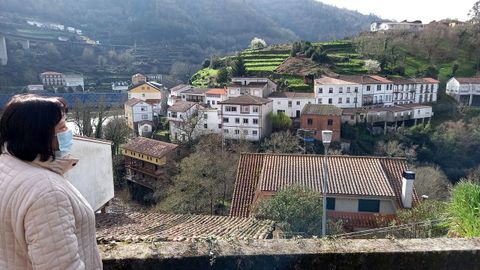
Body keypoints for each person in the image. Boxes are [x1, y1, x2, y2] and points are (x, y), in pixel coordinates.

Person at [0, 94, 102, 269]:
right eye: (61, 127)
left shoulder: (7, 167)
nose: (68, 132)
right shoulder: (47, 193)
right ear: (37, 135)